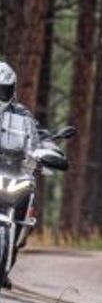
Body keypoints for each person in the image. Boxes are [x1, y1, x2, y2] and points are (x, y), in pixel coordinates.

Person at [0, 61, 67, 282]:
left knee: (26, 198)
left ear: (11, 91)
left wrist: (51, 151)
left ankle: (11, 251)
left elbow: (41, 135)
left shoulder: (21, 114)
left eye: (2, 90)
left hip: (14, 172)